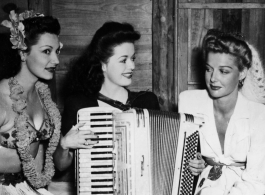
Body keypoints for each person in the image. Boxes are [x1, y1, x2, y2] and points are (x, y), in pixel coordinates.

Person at [51, 21, 160, 194]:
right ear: (103, 64)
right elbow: (61, 165)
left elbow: (161, 156)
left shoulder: (147, 102)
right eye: (123, 60)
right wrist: (64, 145)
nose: (131, 66)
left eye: (132, 59)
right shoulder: (79, 104)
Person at [178, 29, 265, 195]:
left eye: (223, 71)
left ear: (242, 73)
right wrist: (193, 162)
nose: (213, 78)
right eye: (208, 69)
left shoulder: (259, 115)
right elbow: (181, 161)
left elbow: (257, 182)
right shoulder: (189, 103)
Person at [0, 9, 63, 195]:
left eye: (57, 51)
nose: (56, 60)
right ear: (23, 53)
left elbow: (38, 157)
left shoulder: (42, 95)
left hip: (27, 187)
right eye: (46, 52)